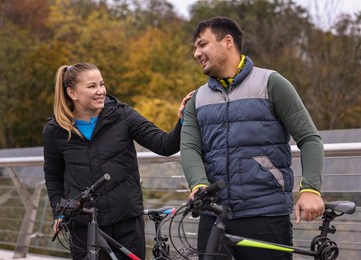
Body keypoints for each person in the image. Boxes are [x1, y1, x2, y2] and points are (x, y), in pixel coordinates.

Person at [180, 16, 325, 260]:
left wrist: (310, 188)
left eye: (202, 44)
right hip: (212, 216)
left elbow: (309, 138)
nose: (197, 53)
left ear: (228, 42)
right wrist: (198, 184)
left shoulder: (271, 83)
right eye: (195, 47)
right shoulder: (197, 99)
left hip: (264, 214)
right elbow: (190, 148)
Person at [43, 62, 193, 260]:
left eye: (101, 84)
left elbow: (164, 145)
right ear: (72, 93)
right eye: (92, 86)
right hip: (83, 227)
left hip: (126, 222)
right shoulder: (55, 131)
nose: (100, 91)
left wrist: (183, 120)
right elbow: (53, 176)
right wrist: (59, 212)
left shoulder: (122, 115)